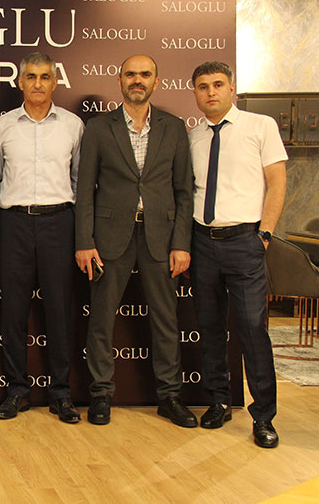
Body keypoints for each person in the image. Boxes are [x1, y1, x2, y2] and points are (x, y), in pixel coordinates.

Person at [75, 54, 196, 427]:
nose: (137, 80)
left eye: (145, 74)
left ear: (157, 82)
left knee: (165, 320)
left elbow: (184, 191)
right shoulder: (98, 128)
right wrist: (84, 240)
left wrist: (182, 243)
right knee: (101, 319)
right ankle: (100, 394)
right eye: (130, 74)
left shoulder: (174, 128)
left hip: (161, 236)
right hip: (110, 237)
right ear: (120, 81)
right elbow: (85, 191)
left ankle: (169, 396)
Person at [188, 61, 287, 448]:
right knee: (210, 328)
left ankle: (263, 417)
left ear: (232, 88)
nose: (210, 92)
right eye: (203, 86)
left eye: (218, 84)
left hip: (245, 240)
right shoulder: (192, 136)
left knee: (252, 329)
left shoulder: (261, 126)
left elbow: (277, 182)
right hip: (202, 241)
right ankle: (219, 401)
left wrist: (264, 234)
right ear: (195, 93)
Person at [0, 52, 83, 422]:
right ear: (20, 82)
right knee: (13, 311)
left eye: (45, 77)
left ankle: (61, 393)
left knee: (59, 311)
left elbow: (79, 180)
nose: (38, 84)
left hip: (59, 222)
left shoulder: (73, 125)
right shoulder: (2, 126)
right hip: (13, 223)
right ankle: (16, 390)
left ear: (55, 82)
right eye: (31, 77)